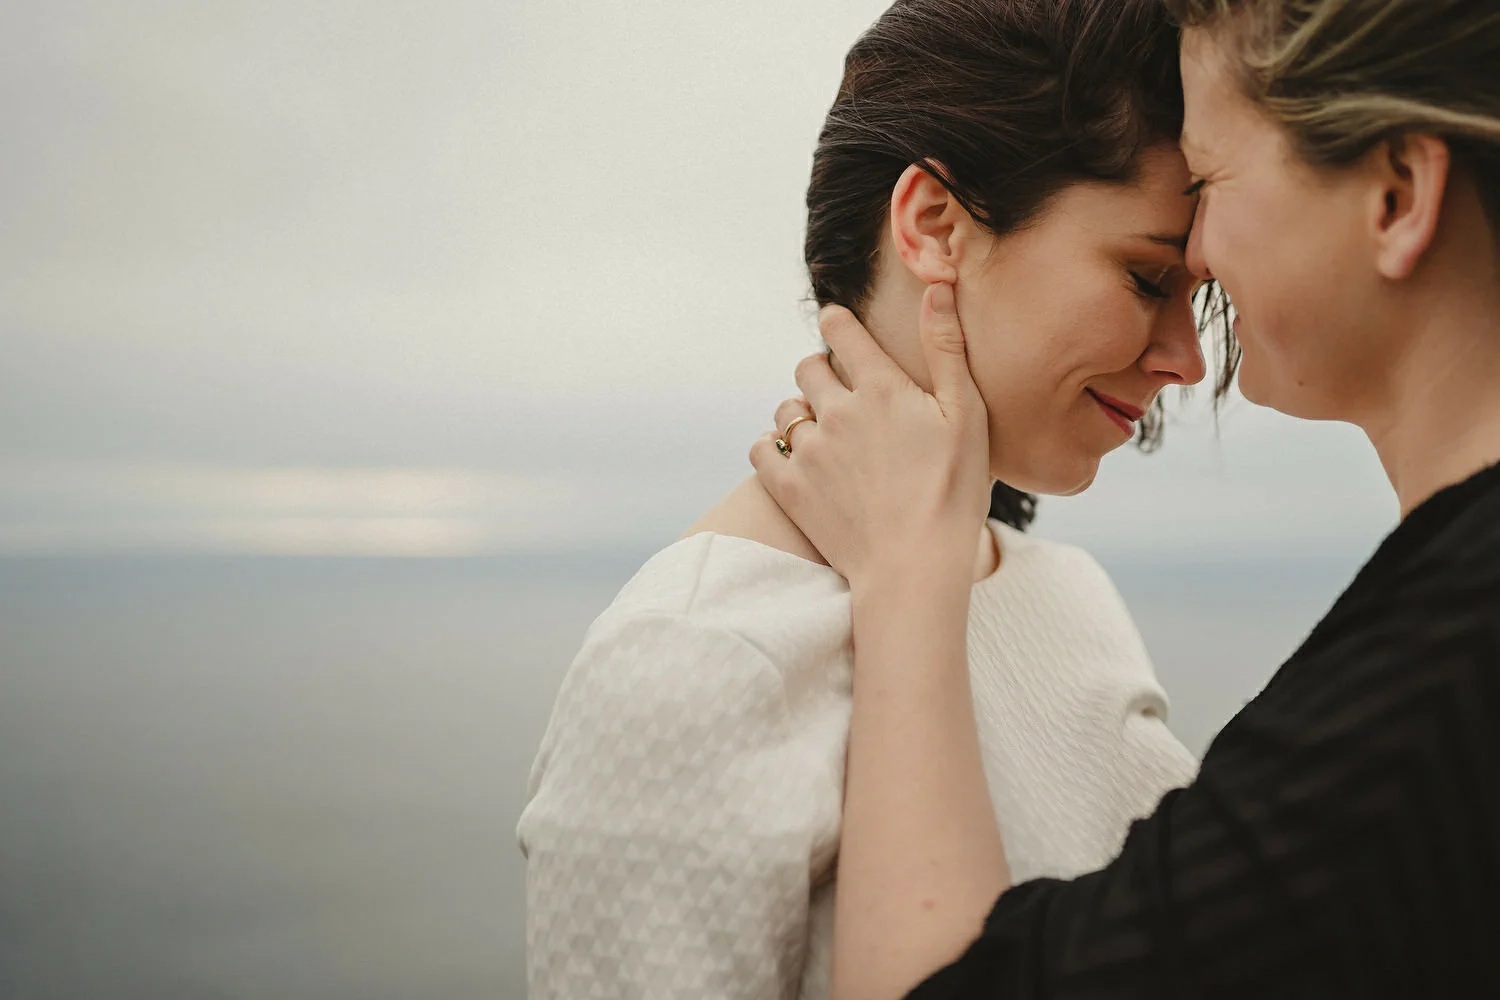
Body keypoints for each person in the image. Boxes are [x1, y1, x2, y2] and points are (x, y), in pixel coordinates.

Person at [752, 0, 1500, 996]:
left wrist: (904, 575)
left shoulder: (1436, 689)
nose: (1200, 257)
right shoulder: (709, 645)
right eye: (1151, 269)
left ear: (1398, 194)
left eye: (1209, 175)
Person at [516, 1, 1232, 996]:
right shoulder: (696, 656)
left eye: (1197, 298)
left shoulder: (1065, 593)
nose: (1188, 359)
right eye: (1148, 276)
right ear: (935, 225)